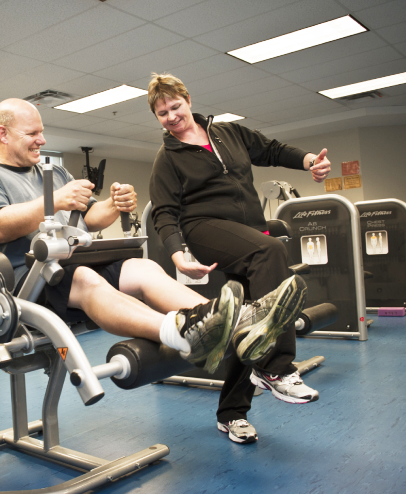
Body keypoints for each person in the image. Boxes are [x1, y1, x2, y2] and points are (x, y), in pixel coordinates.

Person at [0, 98, 308, 381]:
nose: (42, 140)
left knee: (143, 267)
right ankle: (179, 332)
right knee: (84, 278)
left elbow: (91, 217)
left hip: (68, 263)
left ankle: (226, 322)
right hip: (27, 281)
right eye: (32, 133)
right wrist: (53, 202)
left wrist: (114, 205)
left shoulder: (54, 173)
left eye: (42, 132)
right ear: (3, 134)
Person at [147, 73, 331, 444]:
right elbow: (164, 212)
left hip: (248, 232)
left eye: (175, 106)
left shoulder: (229, 133)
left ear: (189, 100)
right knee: (272, 250)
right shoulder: (168, 157)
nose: (171, 116)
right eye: (162, 112)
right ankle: (275, 368)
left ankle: (231, 414)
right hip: (204, 228)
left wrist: (309, 160)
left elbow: (273, 150)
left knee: (250, 322)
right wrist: (177, 253)